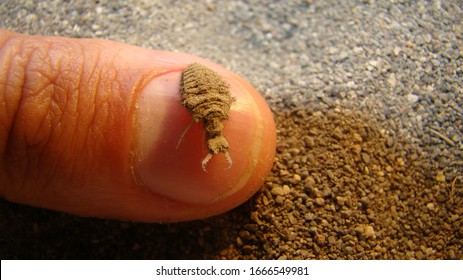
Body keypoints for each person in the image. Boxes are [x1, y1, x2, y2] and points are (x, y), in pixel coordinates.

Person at [0, 29, 276, 222]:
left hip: (206, 92)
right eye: (220, 142)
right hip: (203, 88)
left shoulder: (206, 114)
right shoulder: (201, 114)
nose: (218, 140)